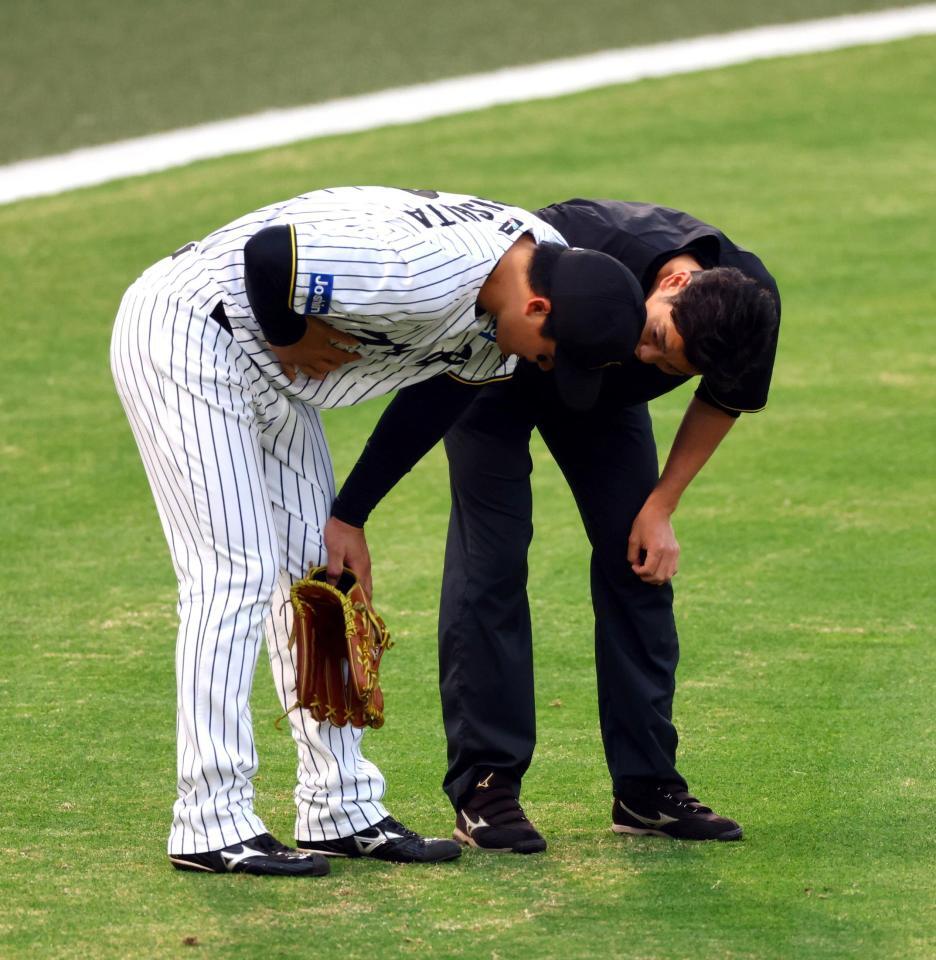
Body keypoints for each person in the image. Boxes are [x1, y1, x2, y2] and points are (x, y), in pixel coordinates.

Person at [110, 186, 646, 876]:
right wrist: (286, 333)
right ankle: (210, 820)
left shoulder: (530, 276)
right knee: (235, 574)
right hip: (189, 333)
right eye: (549, 355)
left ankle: (340, 806)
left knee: (320, 578)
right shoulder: (423, 271)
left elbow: (443, 392)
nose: (543, 368)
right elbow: (271, 256)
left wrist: (350, 514)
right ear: (537, 307)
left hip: (270, 373)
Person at [431, 198, 781, 851]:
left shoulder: (747, 311)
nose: (651, 359)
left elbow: (723, 400)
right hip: (498, 372)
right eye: (655, 341)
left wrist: (662, 506)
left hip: (603, 401)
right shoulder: (575, 238)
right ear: (671, 285)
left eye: (671, 368)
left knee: (638, 564)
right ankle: (486, 787)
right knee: (493, 563)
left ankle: (646, 789)